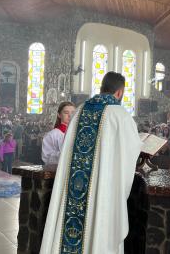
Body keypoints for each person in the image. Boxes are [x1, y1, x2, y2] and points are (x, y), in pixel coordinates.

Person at [40, 72, 142, 254]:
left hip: (75, 189)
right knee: (99, 230)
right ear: (119, 92)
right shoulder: (121, 115)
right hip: (103, 190)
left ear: (102, 88)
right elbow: (131, 152)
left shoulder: (79, 111)